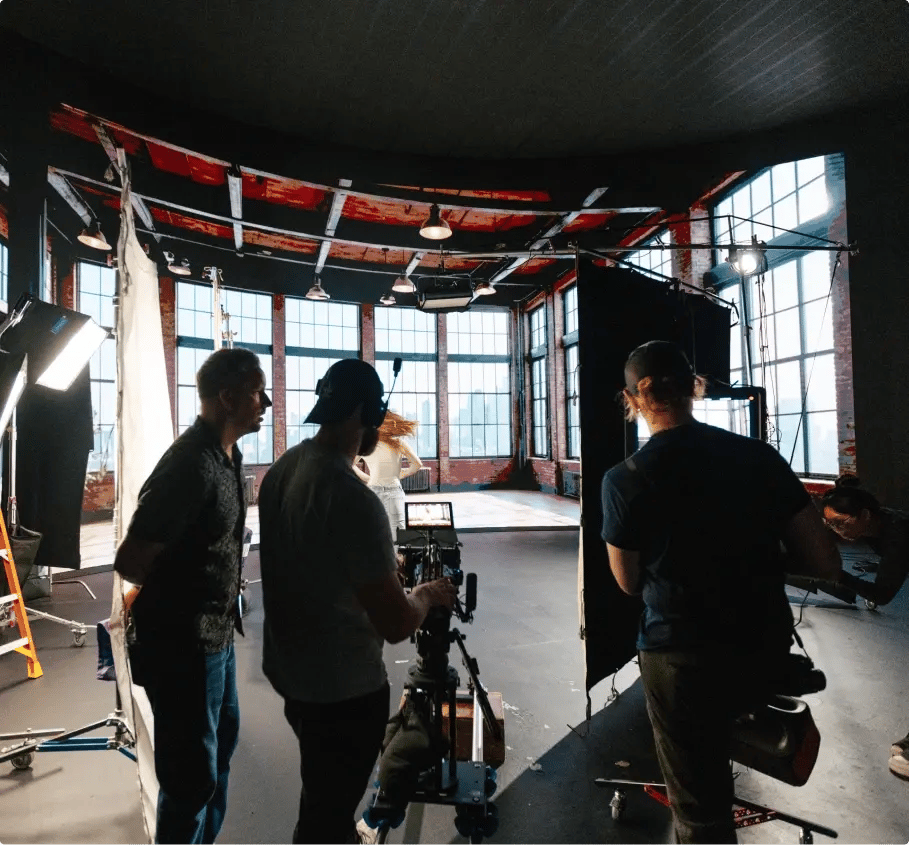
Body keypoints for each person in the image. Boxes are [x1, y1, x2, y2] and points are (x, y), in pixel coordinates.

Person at [600, 340, 842, 845]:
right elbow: (823, 561)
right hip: (761, 648)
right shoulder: (759, 457)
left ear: (632, 400)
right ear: (696, 388)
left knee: (700, 814)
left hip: (680, 658)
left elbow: (627, 582)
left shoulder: (624, 480)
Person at [257, 357, 456, 845]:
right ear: (363, 413)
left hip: (293, 675)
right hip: (342, 692)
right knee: (326, 817)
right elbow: (394, 623)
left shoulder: (282, 471)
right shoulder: (353, 499)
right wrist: (427, 594)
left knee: (323, 799)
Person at [113, 347, 271, 845]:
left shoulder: (226, 456)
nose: (265, 402)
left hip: (215, 640)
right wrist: (185, 597)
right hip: (183, 649)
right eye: (256, 392)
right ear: (227, 398)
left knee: (218, 753)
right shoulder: (190, 466)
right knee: (190, 778)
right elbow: (131, 560)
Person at [819, 474, 909, 780]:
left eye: (841, 523)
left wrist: (839, 577)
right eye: (830, 524)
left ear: (865, 516)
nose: (836, 531)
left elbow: (882, 595)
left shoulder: (896, 534)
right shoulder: (874, 526)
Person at [353, 410, 424, 537]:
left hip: (373, 491)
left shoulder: (366, 444)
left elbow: (350, 464)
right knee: (398, 536)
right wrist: (400, 474)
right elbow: (417, 465)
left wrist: (368, 478)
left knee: (372, 534)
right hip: (394, 491)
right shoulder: (398, 443)